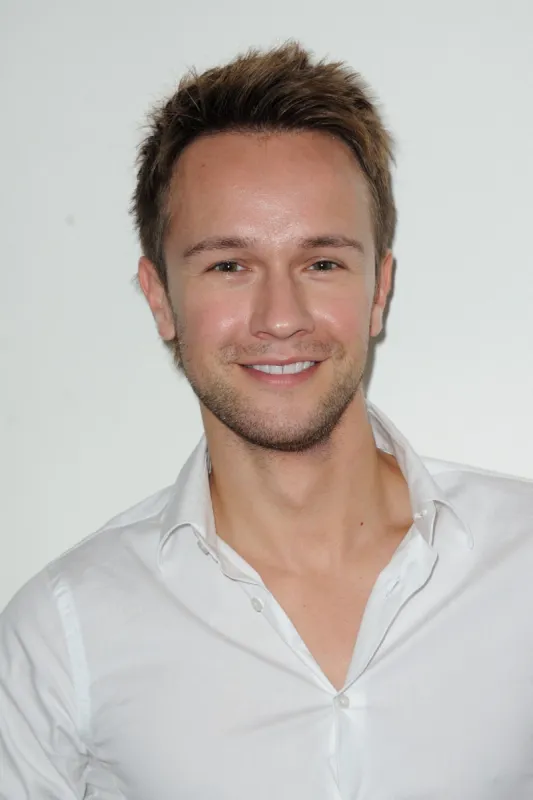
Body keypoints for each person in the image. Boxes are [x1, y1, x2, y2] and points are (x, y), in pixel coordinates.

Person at [1, 40, 533, 800]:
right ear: (159, 299)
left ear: (378, 290)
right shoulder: (62, 635)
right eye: (228, 265)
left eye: (321, 263)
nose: (279, 318)